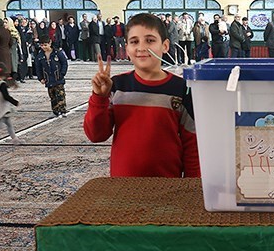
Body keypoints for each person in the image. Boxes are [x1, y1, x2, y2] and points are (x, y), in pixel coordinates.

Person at [84, 13, 200, 178]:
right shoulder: (117, 85)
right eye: (134, 42)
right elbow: (96, 135)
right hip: (123, 185)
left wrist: (192, 186)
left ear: (165, 46)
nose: (141, 47)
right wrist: (99, 98)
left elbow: (192, 144)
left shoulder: (181, 88)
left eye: (150, 40)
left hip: (168, 186)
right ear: (127, 48)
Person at [34, 37, 69, 117]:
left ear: (49, 43)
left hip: (58, 78)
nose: (44, 47)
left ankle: (62, 110)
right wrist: (41, 78)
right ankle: (55, 111)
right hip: (48, 79)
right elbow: (38, 68)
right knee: (52, 96)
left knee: (60, 95)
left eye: (45, 45)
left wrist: (62, 73)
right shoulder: (40, 56)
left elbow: (64, 63)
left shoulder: (57, 53)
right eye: (42, 45)